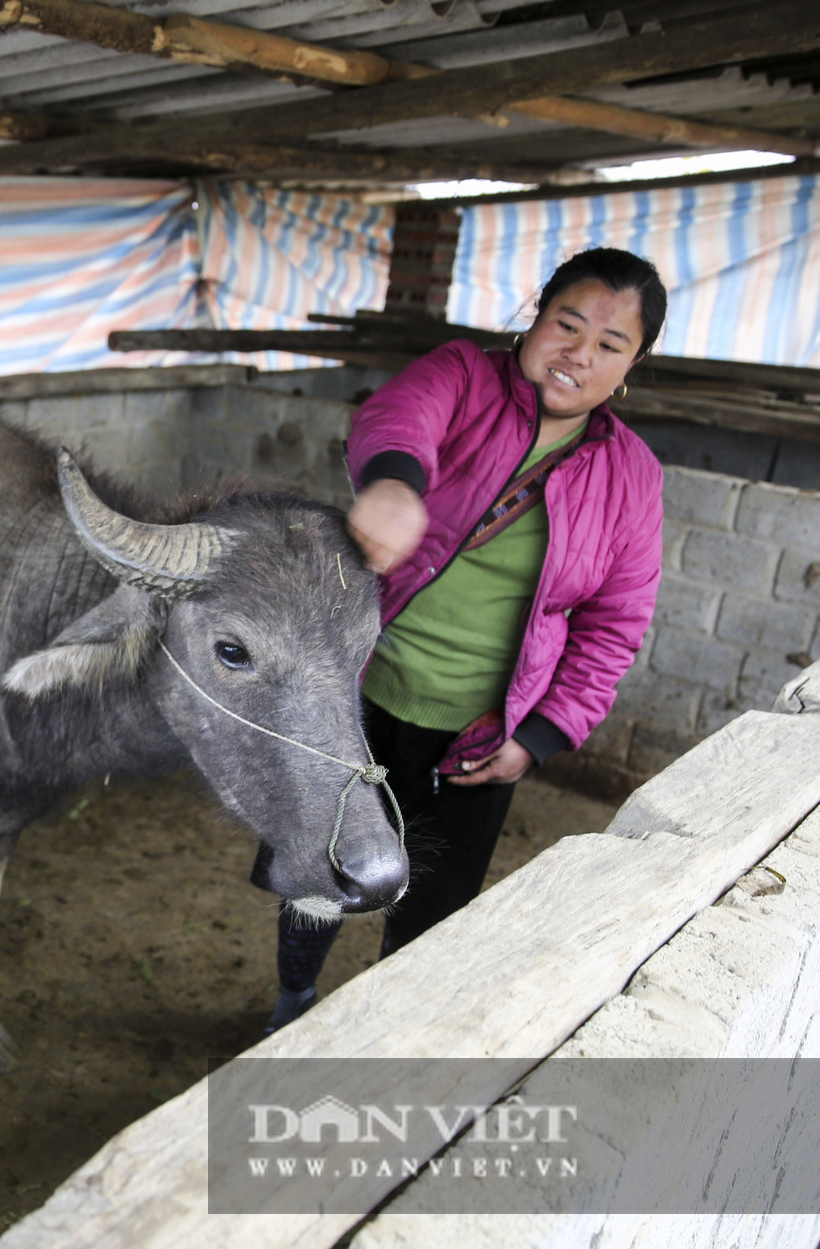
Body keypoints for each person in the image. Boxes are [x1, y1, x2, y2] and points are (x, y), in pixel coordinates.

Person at [261, 246, 668, 1033]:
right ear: (534, 317)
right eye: (566, 324)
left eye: (610, 345)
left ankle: (379, 1035)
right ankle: (290, 1005)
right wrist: (393, 481)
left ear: (631, 365)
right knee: (319, 872)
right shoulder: (464, 378)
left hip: (479, 741)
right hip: (358, 701)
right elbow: (395, 417)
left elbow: (614, 628)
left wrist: (540, 737)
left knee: (431, 910)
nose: (579, 353)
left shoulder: (632, 477)